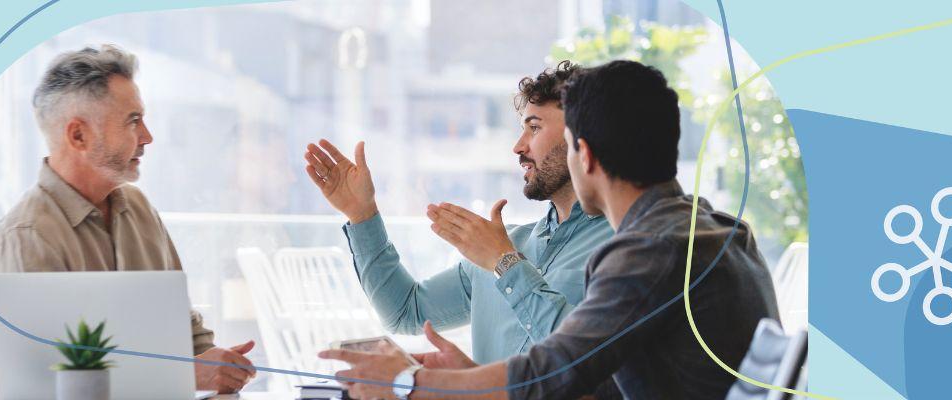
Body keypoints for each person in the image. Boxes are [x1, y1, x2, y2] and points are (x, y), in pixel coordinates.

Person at [318, 60, 781, 399]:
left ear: (586, 154)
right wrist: (469, 377)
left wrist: (408, 383)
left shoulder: (647, 250)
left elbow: (562, 372)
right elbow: (601, 384)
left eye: (535, 127)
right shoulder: (714, 233)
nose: (518, 146)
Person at [302, 61, 614, 368]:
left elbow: (584, 356)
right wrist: (362, 215)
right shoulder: (505, 243)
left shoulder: (623, 249)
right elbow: (404, 311)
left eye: (534, 127)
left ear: (580, 137)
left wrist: (504, 262)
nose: (518, 147)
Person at [0, 45, 256, 394]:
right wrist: (185, 374)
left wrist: (216, 363)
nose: (147, 136)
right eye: (133, 121)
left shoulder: (139, 209)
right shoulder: (26, 235)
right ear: (78, 135)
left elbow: (185, 335)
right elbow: (44, 383)